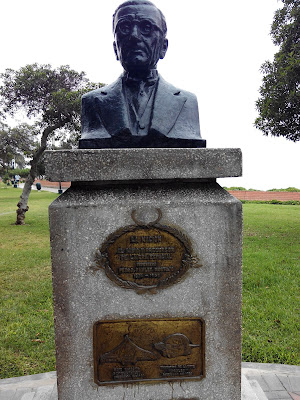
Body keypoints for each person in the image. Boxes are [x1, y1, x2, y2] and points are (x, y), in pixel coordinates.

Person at [79, 0, 206, 148]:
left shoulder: (187, 102)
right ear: (115, 48)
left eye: (146, 27)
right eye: (124, 27)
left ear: (163, 47)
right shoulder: (92, 102)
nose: (134, 36)